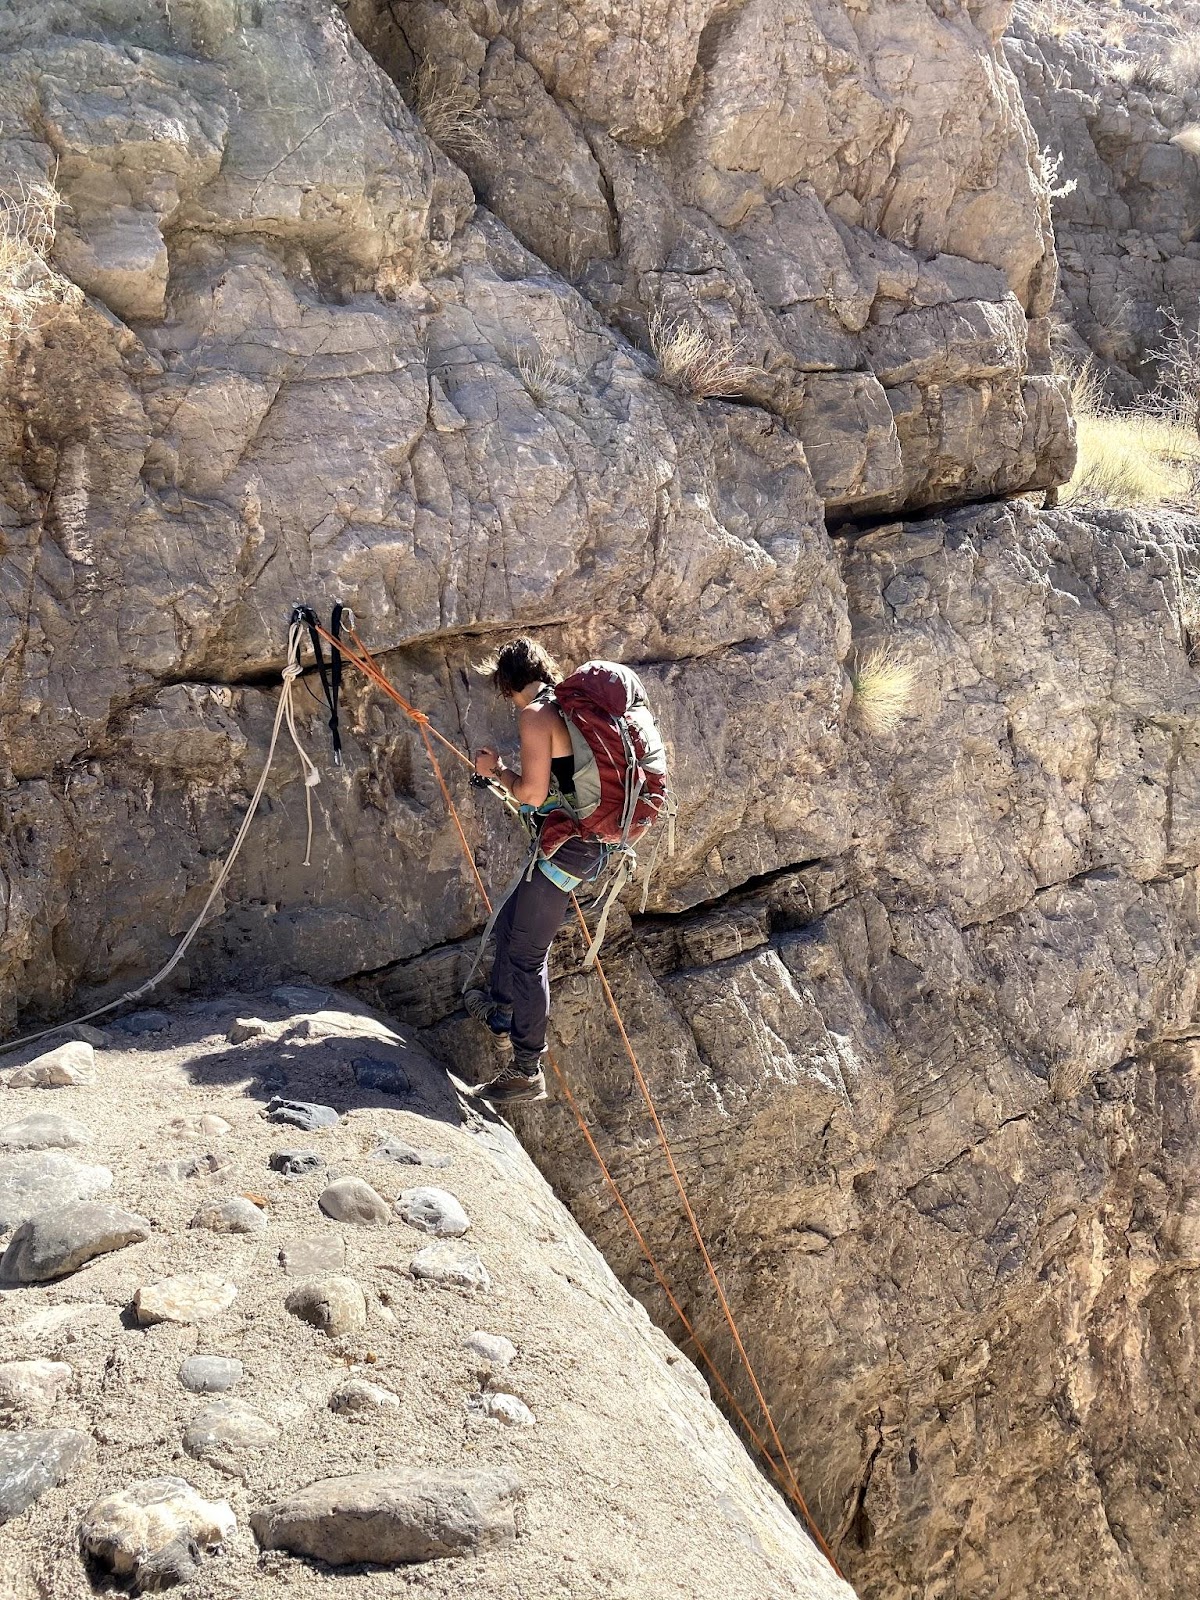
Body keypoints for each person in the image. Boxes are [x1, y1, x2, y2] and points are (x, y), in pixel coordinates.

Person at [467, 638, 607, 1106]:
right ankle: (501, 1013)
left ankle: (527, 1071)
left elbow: (531, 793)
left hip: (570, 849)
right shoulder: (568, 706)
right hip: (581, 842)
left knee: (528, 957)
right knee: (509, 924)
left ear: (507, 683)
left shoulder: (536, 714)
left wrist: (496, 771)